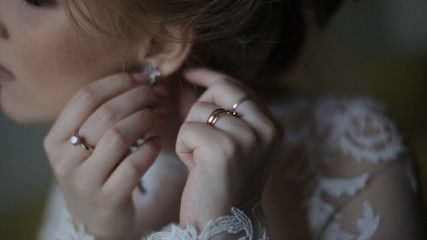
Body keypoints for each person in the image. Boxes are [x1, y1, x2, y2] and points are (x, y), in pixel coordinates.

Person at [0, 0, 424, 239]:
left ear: (162, 44)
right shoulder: (90, 162)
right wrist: (98, 230)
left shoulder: (359, 152)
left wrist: (222, 224)